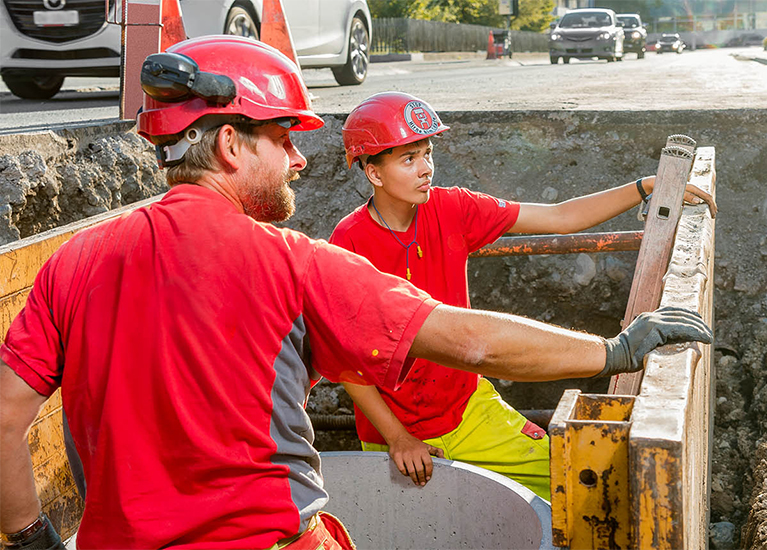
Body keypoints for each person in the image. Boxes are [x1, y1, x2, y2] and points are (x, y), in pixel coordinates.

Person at [0, 37, 713, 550]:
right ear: (229, 146)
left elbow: (4, 416)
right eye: (285, 138)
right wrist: (612, 348)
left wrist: (32, 535)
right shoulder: (297, 264)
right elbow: (469, 339)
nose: (301, 158)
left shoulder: (78, 261)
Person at [330, 92, 718, 499]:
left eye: (427, 153)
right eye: (409, 159)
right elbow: (344, 358)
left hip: (468, 409)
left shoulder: (453, 208)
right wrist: (397, 438)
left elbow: (561, 216)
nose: (426, 168)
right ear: (373, 173)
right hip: (394, 433)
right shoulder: (349, 241)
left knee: (579, 490)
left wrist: (646, 187)